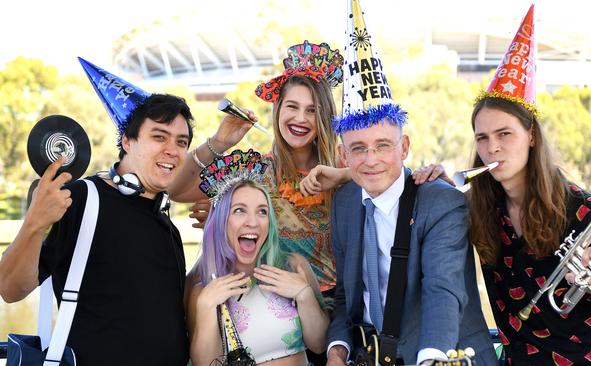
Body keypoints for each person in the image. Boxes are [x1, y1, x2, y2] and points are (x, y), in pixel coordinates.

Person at [466, 5, 591, 365]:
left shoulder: (585, 211)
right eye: (482, 138)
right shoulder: (480, 210)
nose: (492, 147)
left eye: (504, 134)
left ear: (531, 136)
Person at [326, 1, 496, 365]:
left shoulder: (440, 202)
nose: (370, 160)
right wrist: (337, 347)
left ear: (404, 147)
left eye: (382, 146)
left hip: (445, 355)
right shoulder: (343, 204)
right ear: (344, 157)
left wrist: (432, 357)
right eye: (358, 148)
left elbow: (443, 291)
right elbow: (347, 296)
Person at [0, 59, 194, 365]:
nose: (172, 149)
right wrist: (34, 224)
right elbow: (10, 289)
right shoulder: (80, 199)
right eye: (159, 137)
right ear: (127, 141)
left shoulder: (167, 225)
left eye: (181, 142)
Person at [169, 41, 343, 299]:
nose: (300, 119)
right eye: (292, 107)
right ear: (278, 109)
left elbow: (389, 183)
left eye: (312, 111)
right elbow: (176, 189)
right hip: (269, 303)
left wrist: (345, 176)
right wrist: (220, 142)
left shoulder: (346, 166)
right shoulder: (254, 171)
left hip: (336, 306)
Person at [186, 150, 329, 366]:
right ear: (221, 221)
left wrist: (304, 295)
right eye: (239, 210)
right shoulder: (202, 288)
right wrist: (206, 307)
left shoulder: (293, 266)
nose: (253, 222)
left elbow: (319, 345)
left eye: (262, 212)